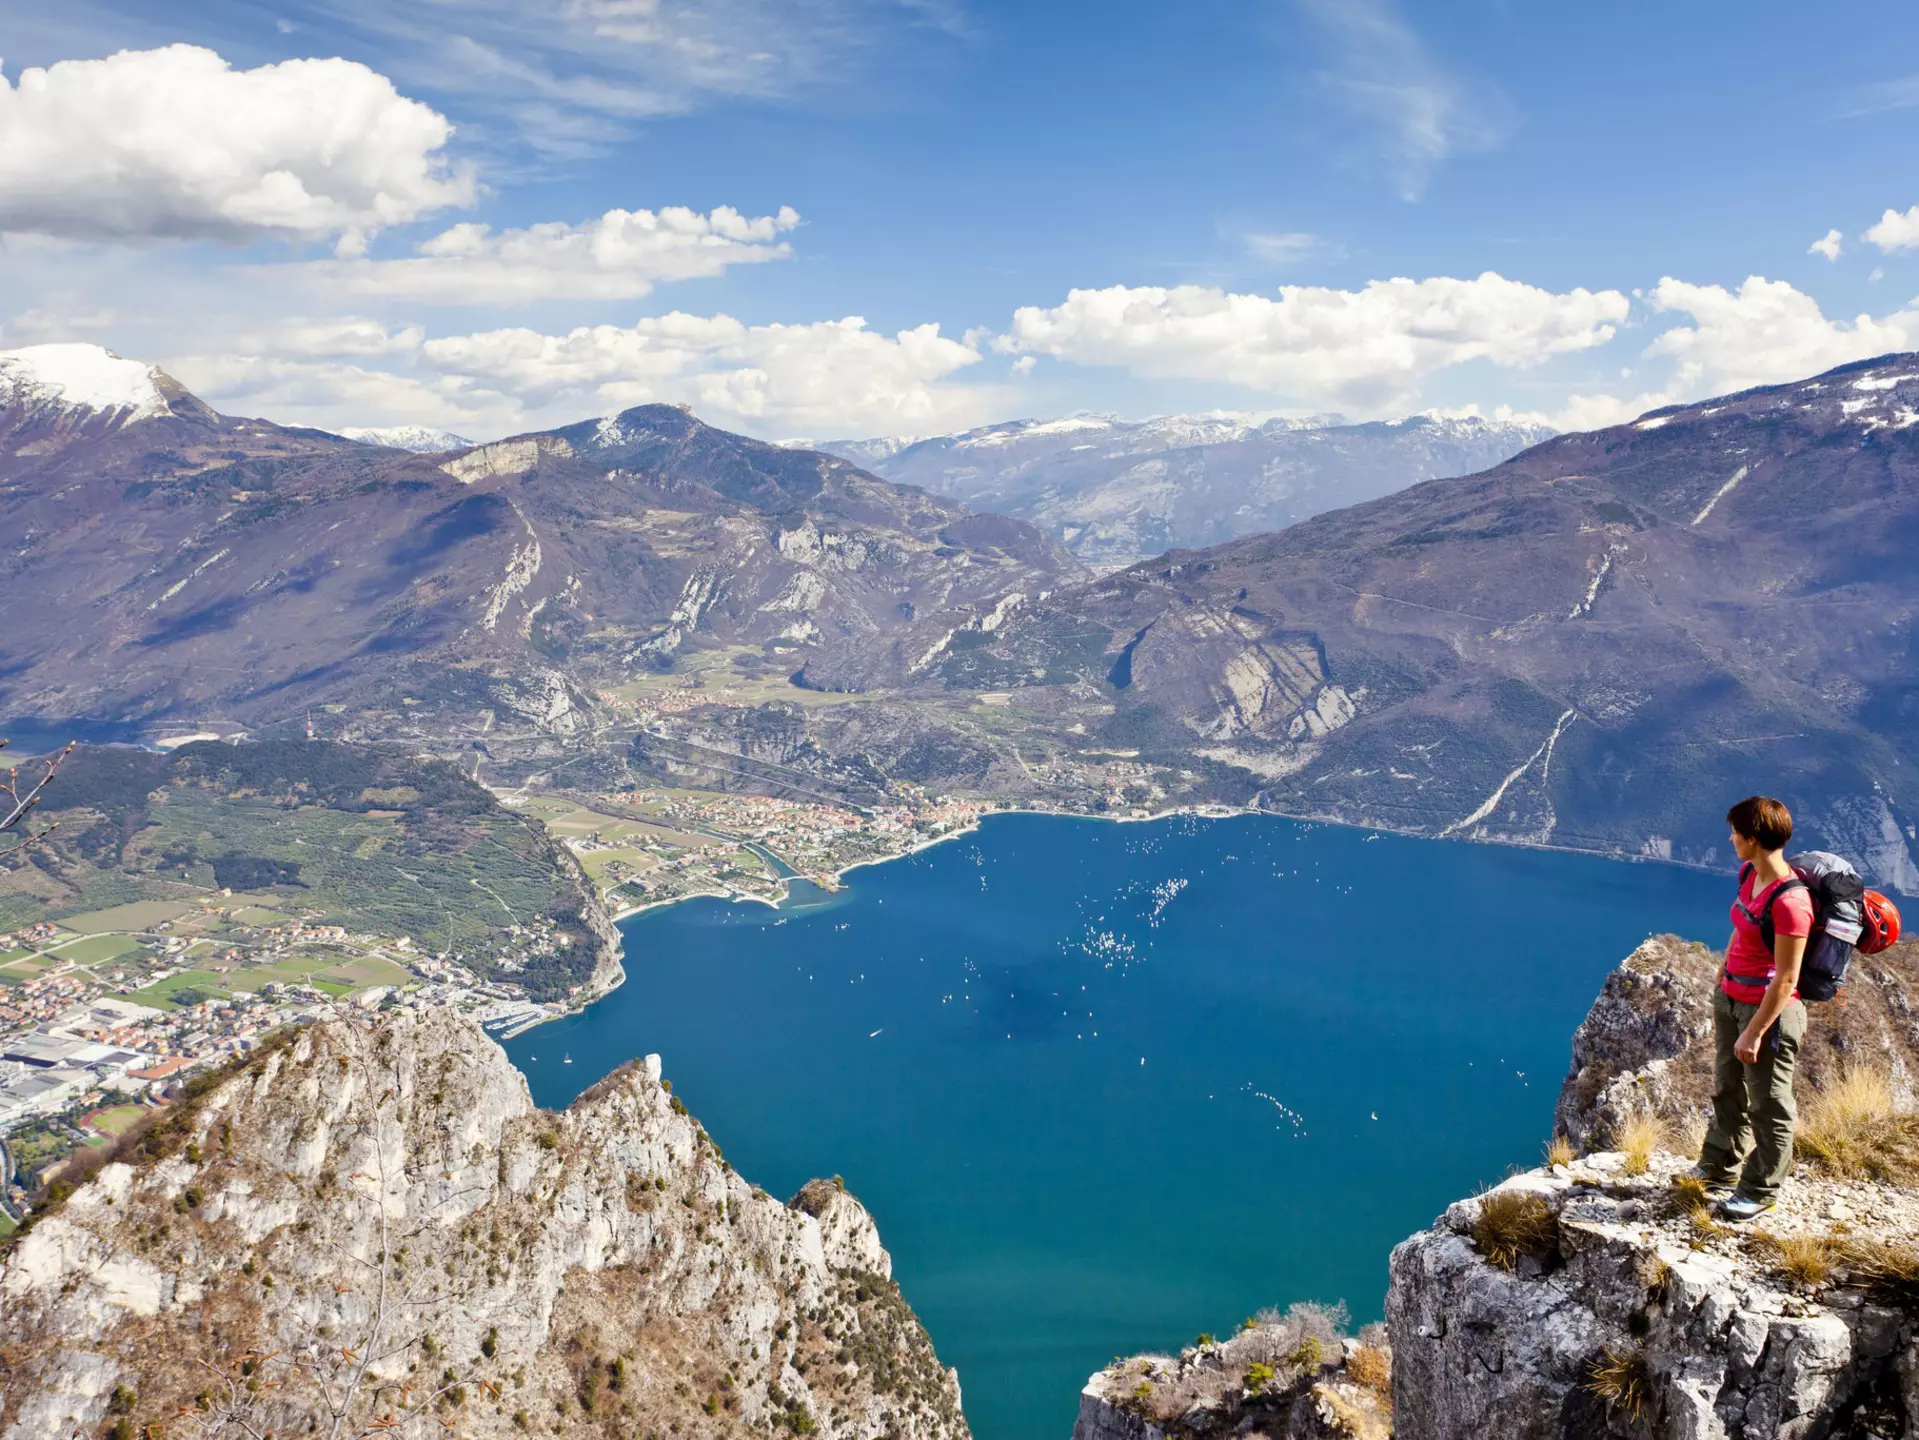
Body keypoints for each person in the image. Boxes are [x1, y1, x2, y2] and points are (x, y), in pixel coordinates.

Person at [1694, 795, 1811, 1221]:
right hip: (1730, 998)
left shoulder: (1791, 903)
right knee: (1728, 1087)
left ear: (1755, 838)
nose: (1731, 839)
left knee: (1769, 1104)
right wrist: (1721, 978)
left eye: (1736, 833)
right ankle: (1718, 1166)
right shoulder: (1750, 874)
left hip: (1766, 1013)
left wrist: (1756, 1030)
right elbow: (1741, 930)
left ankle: (1761, 1189)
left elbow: (1786, 978)